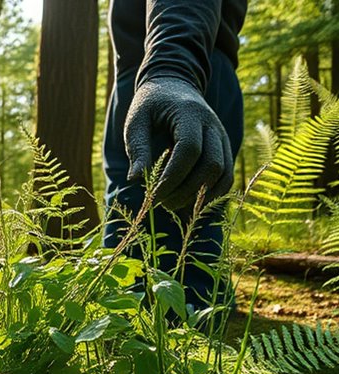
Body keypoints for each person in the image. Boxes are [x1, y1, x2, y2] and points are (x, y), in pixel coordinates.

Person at [104, 1, 248, 309]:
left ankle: (200, 332)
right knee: (128, 223)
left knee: (187, 218)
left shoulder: (176, 65)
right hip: (147, 71)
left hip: (188, 67)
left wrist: (172, 68)